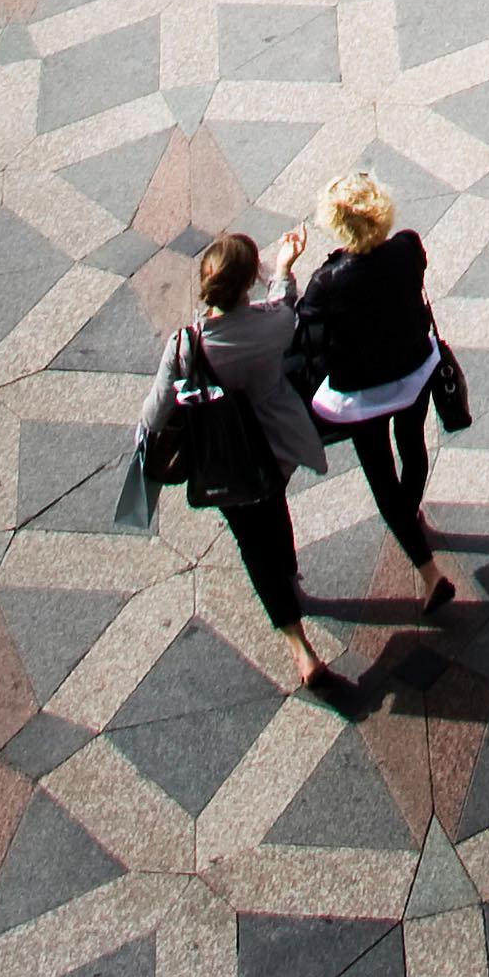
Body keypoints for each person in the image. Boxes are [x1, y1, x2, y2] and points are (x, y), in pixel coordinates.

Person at [132, 228, 347, 698]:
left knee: (252, 542)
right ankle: (291, 579)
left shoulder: (186, 345)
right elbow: (285, 307)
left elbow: (154, 414)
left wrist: (144, 456)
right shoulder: (271, 326)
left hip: (225, 463)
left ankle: (299, 646)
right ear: (250, 281)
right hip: (275, 448)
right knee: (274, 510)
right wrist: (285, 266)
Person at [292, 172, 455, 603]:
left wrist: (284, 273)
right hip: (414, 374)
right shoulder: (407, 247)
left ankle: (429, 571)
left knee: (382, 478)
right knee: (413, 447)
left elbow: (305, 324)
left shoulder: (326, 281)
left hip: (360, 395)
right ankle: (412, 511)